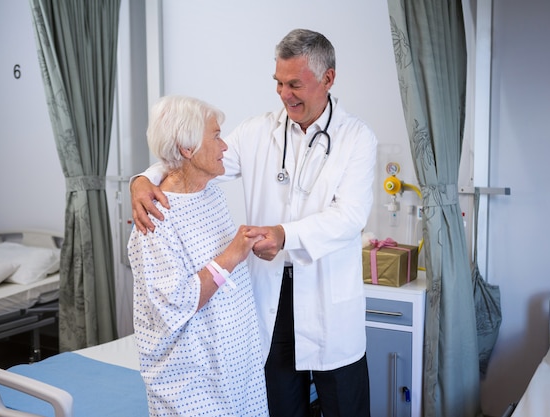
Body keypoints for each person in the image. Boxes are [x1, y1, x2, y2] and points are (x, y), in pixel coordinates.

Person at [131, 29, 377, 417]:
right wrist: (143, 178)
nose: (284, 94)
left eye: (294, 84)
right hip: (270, 296)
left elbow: (350, 217)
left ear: (327, 79)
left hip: (328, 296)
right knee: (279, 407)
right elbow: (194, 155)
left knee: (346, 407)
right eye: (278, 83)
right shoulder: (257, 131)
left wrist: (284, 235)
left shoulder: (356, 138)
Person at [128, 95, 269, 417]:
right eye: (217, 136)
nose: (225, 147)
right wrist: (233, 255)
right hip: (193, 383)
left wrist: (247, 247)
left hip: (237, 371)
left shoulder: (210, 193)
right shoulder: (155, 218)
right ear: (188, 148)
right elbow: (175, 303)